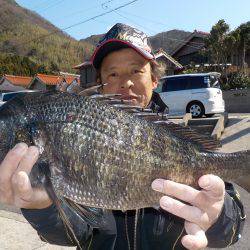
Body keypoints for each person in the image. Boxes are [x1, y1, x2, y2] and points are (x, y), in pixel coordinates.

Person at [0, 23, 245, 250]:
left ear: (154, 79)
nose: (125, 82)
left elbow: (232, 230)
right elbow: (79, 235)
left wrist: (218, 215)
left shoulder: (178, 140)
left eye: (136, 70)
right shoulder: (81, 132)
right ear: (101, 84)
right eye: (113, 74)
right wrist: (42, 208)